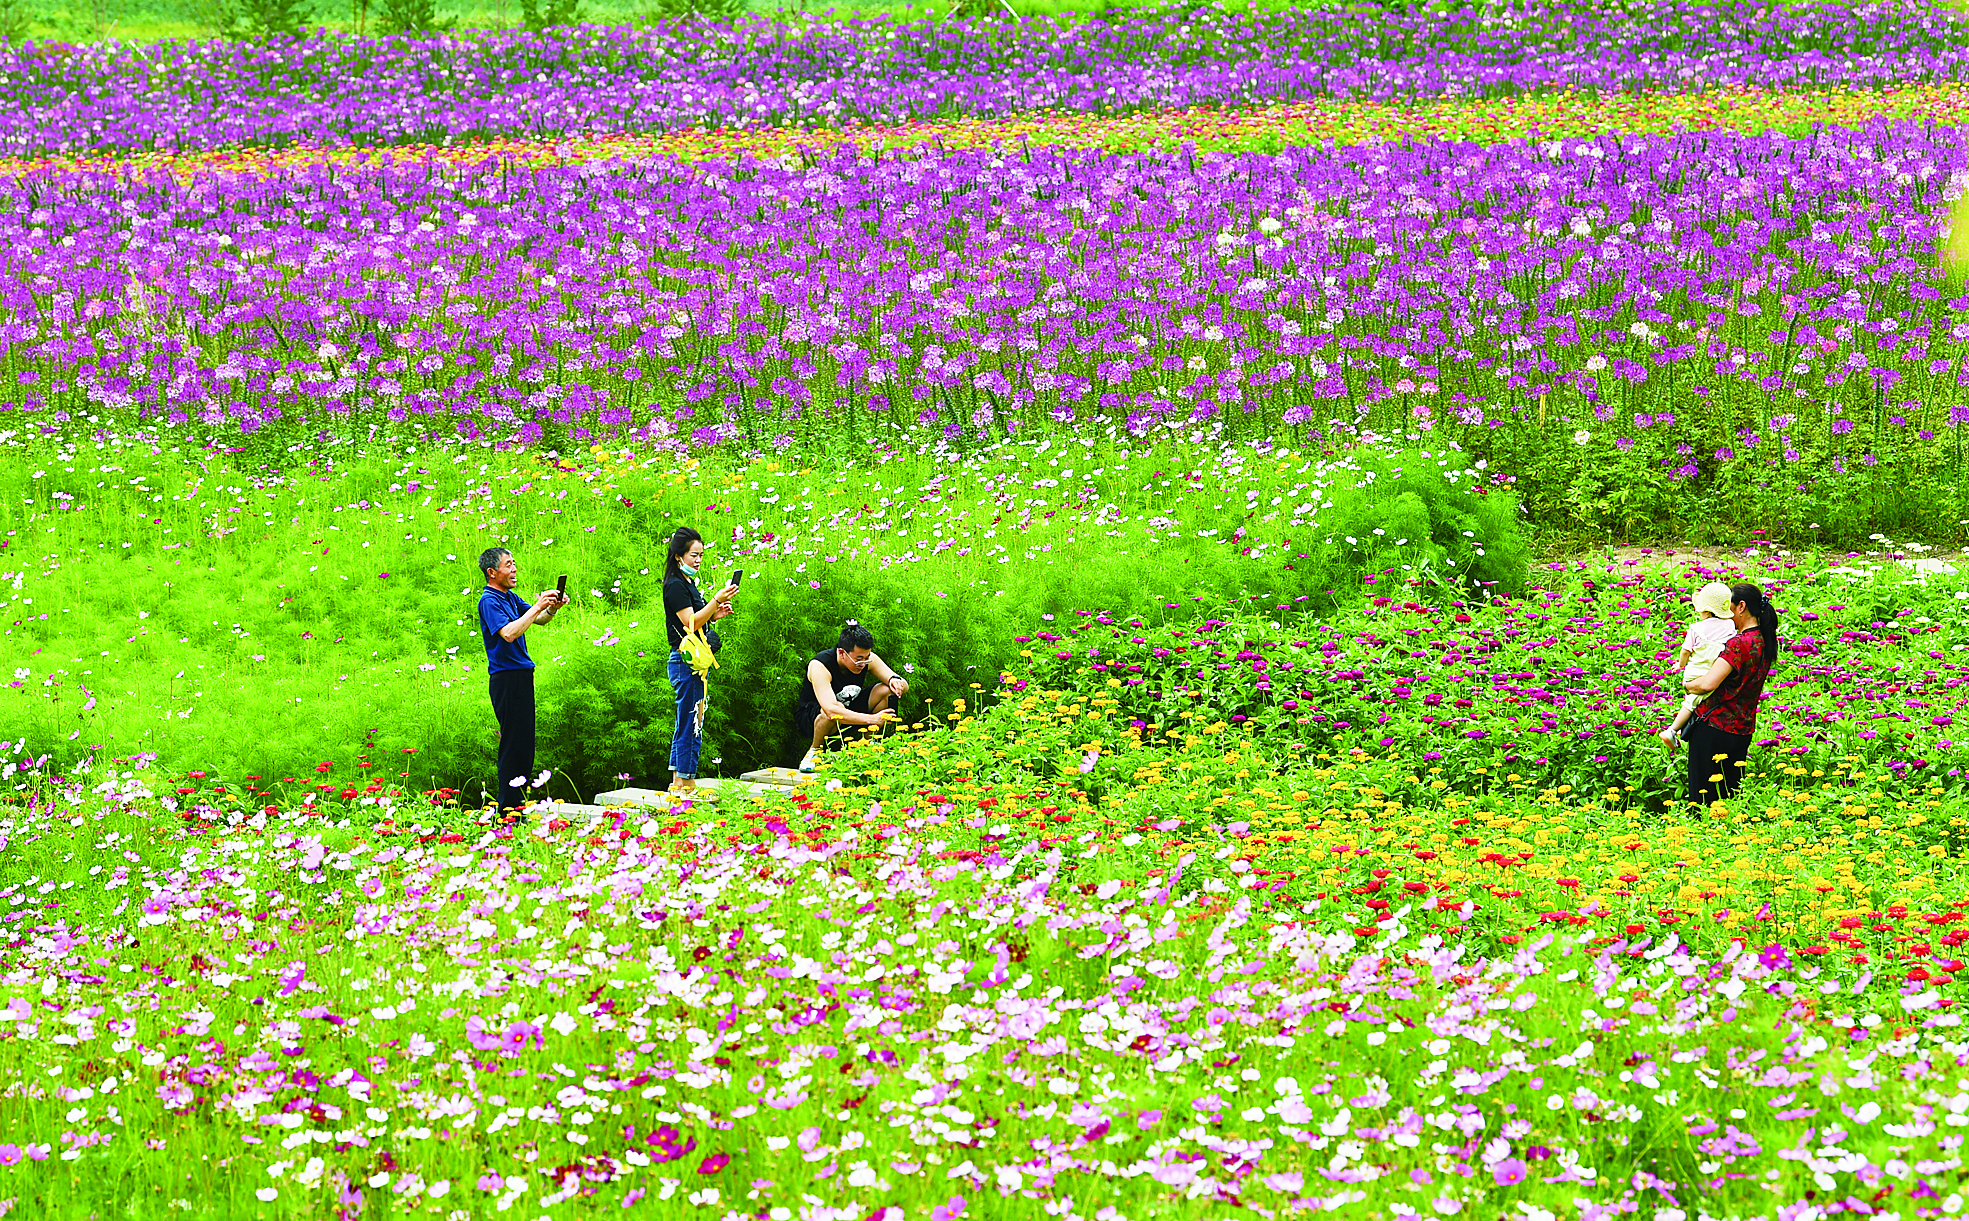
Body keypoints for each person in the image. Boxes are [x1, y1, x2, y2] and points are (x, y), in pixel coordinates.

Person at [477, 547, 567, 814]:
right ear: (492, 573)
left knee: (524, 744)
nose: (514, 569)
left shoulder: (510, 597)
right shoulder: (489, 601)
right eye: (508, 565)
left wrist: (551, 608)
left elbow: (538, 620)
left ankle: (516, 806)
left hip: (522, 674)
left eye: (514, 563)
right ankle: (508, 810)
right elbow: (508, 633)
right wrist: (538, 605)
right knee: (513, 744)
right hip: (506, 678)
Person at [1682, 581, 1779, 810]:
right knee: (1730, 798)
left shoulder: (1738, 644)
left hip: (1714, 728)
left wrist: (1688, 685)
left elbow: (1707, 684)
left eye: (1729, 608)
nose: (1726, 615)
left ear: (1741, 607)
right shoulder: (1764, 642)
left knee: (1703, 800)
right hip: (1743, 729)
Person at [661, 527, 735, 796]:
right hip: (685, 661)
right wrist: (716, 599)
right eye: (694, 555)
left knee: (686, 719)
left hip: (691, 660)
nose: (698, 560)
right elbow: (689, 622)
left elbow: (699, 618)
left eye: (701, 555)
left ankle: (677, 782)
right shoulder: (675, 585)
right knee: (692, 720)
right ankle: (687, 782)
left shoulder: (686, 582)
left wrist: (716, 613)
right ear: (679, 555)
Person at [791, 621, 908, 773]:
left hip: (849, 709)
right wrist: (872, 719)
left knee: (886, 690)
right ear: (841, 653)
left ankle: (867, 747)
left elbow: (903, 684)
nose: (863, 663)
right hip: (814, 717)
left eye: (867, 657)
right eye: (859, 659)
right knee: (834, 708)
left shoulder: (866, 659)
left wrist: (896, 682)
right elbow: (831, 710)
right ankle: (814, 751)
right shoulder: (820, 665)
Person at [1659, 581, 1738, 750]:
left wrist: (1680, 665)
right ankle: (1674, 730)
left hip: (1695, 673)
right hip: (1715, 672)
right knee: (1696, 700)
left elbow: (1685, 651)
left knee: (1692, 701)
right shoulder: (1731, 626)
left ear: (1706, 610)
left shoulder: (1696, 628)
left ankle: (1673, 730)